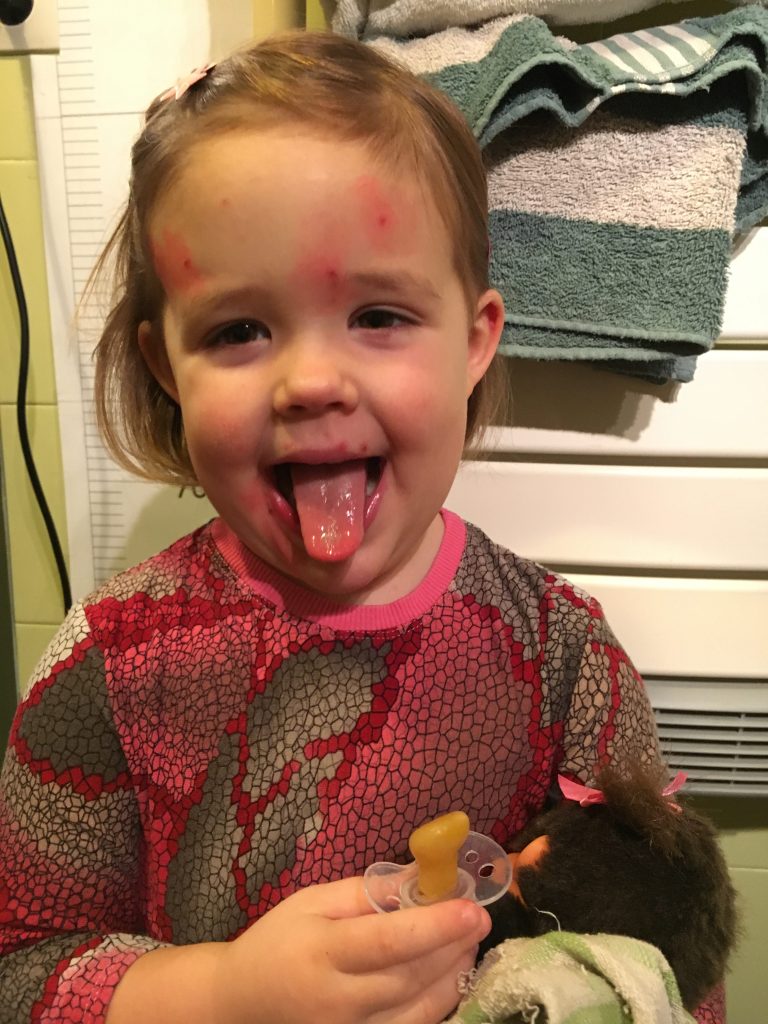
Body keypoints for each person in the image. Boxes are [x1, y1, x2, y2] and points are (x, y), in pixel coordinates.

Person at [0, 30, 713, 1024]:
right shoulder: (111, 667)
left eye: (379, 315)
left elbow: (669, 960)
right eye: (239, 330)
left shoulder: (567, 661)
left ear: (474, 340)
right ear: (167, 367)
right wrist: (226, 997)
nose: (312, 382)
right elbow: (24, 969)